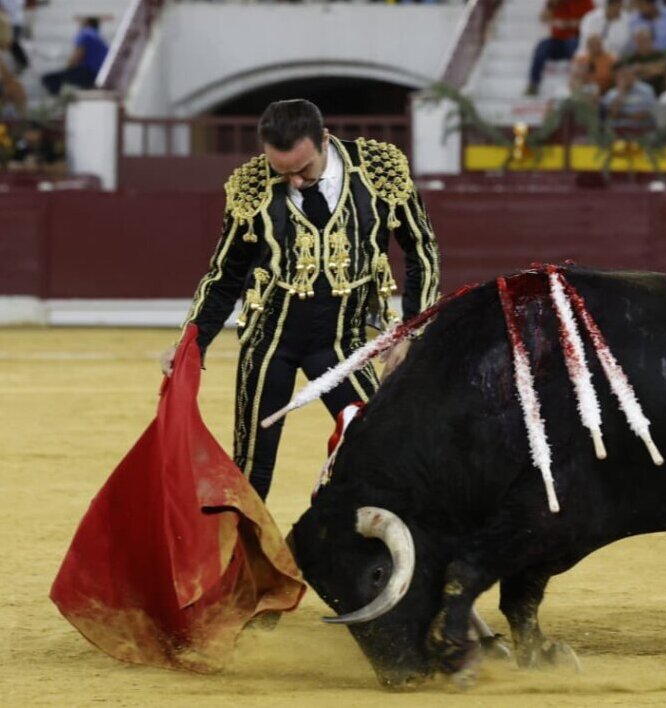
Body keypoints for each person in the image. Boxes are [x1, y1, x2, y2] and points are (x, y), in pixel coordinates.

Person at [160, 100, 440, 501]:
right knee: (252, 467)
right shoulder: (252, 188)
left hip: (345, 342)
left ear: (324, 141)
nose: (292, 181)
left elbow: (422, 250)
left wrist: (410, 331)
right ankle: (242, 562)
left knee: (378, 448)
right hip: (271, 341)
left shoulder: (378, 171)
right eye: (281, 171)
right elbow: (225, 275)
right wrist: (191, 341)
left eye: (303, 170)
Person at [526, 0, 595, 97]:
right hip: (557, 40)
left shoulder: (584, 2)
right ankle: (533, 84)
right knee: (541, 46)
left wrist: (566, 24)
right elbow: (543, 18)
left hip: (575, 38)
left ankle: (577, 84)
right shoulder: (554, 3)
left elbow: (590, 20)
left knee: (574, 47)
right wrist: (550, 6)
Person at [42, 17, 108, 95]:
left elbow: (78, 55)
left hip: (89, 73)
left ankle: (59, 100)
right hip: (100, 73)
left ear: (88, 24)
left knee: (49, 78)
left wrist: (68, 68)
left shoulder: (86, 33)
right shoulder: (99, 38)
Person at [603, 60, 657, 128]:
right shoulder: (611, 94)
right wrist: (622, 92)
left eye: (625, 73)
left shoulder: (646, 90)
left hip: (643, 129)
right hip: (620, 130)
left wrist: (623, 115)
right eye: (620, 76)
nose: (625, 78)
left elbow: (648, 114)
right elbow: (613, 115)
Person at [624, 26, 666, 94]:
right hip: (637, 94)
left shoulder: (660, 55)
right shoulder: (630, 59)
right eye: (640, 40)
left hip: (659, 91)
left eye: (646, 40)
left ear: (651, 41)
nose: (643, 43)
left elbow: (663, 69)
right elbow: (627, 75)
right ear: (635, 42)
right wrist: (652, 69)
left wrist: (641, 69)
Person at [0, 0, 28, 73]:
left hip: (14, 22)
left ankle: (23, 62)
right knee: (10, 43)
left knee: (13, 42)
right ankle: (20, 62)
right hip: (6, 22)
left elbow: (12, 7)